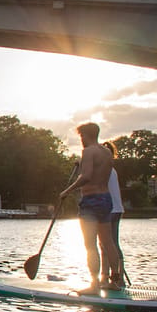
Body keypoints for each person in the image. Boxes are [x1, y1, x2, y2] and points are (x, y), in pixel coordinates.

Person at [59, 122, 122, 292]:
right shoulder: (107, 152)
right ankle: (114, 281)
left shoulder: (88, 151)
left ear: (86, 135)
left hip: (91, 200)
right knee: (108, 242)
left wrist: (67, 191)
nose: (81, 140)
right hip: (106, 199)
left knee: (90, 244)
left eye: (81, 136)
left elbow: (86, 177)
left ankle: (94, 285)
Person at [101, 141, 127, 285]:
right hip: (114, 209)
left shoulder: (106, 169)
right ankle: (107, 277)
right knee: (107, 244)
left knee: (110, 244)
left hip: (111, 210)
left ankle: (117, 278)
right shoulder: (111, 169)